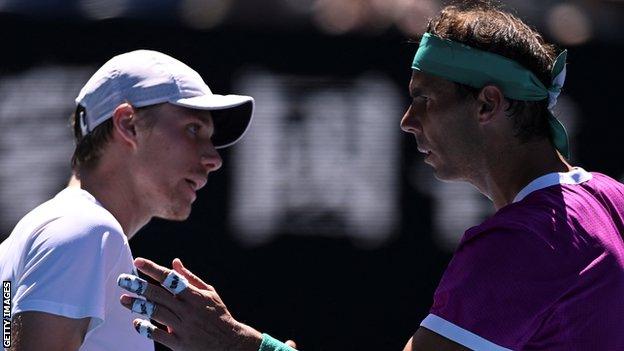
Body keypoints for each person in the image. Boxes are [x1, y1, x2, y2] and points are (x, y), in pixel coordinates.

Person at [116, 2, 624, 351]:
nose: (408, 120)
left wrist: (235, 343)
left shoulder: (523, 241)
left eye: (424, 99)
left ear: (487, 103)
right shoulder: (611, 198)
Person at [0, 49, 255, 350]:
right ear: (128, 124)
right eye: (193, 129)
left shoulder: (61, 229)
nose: (214, 158)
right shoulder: (86, 231)